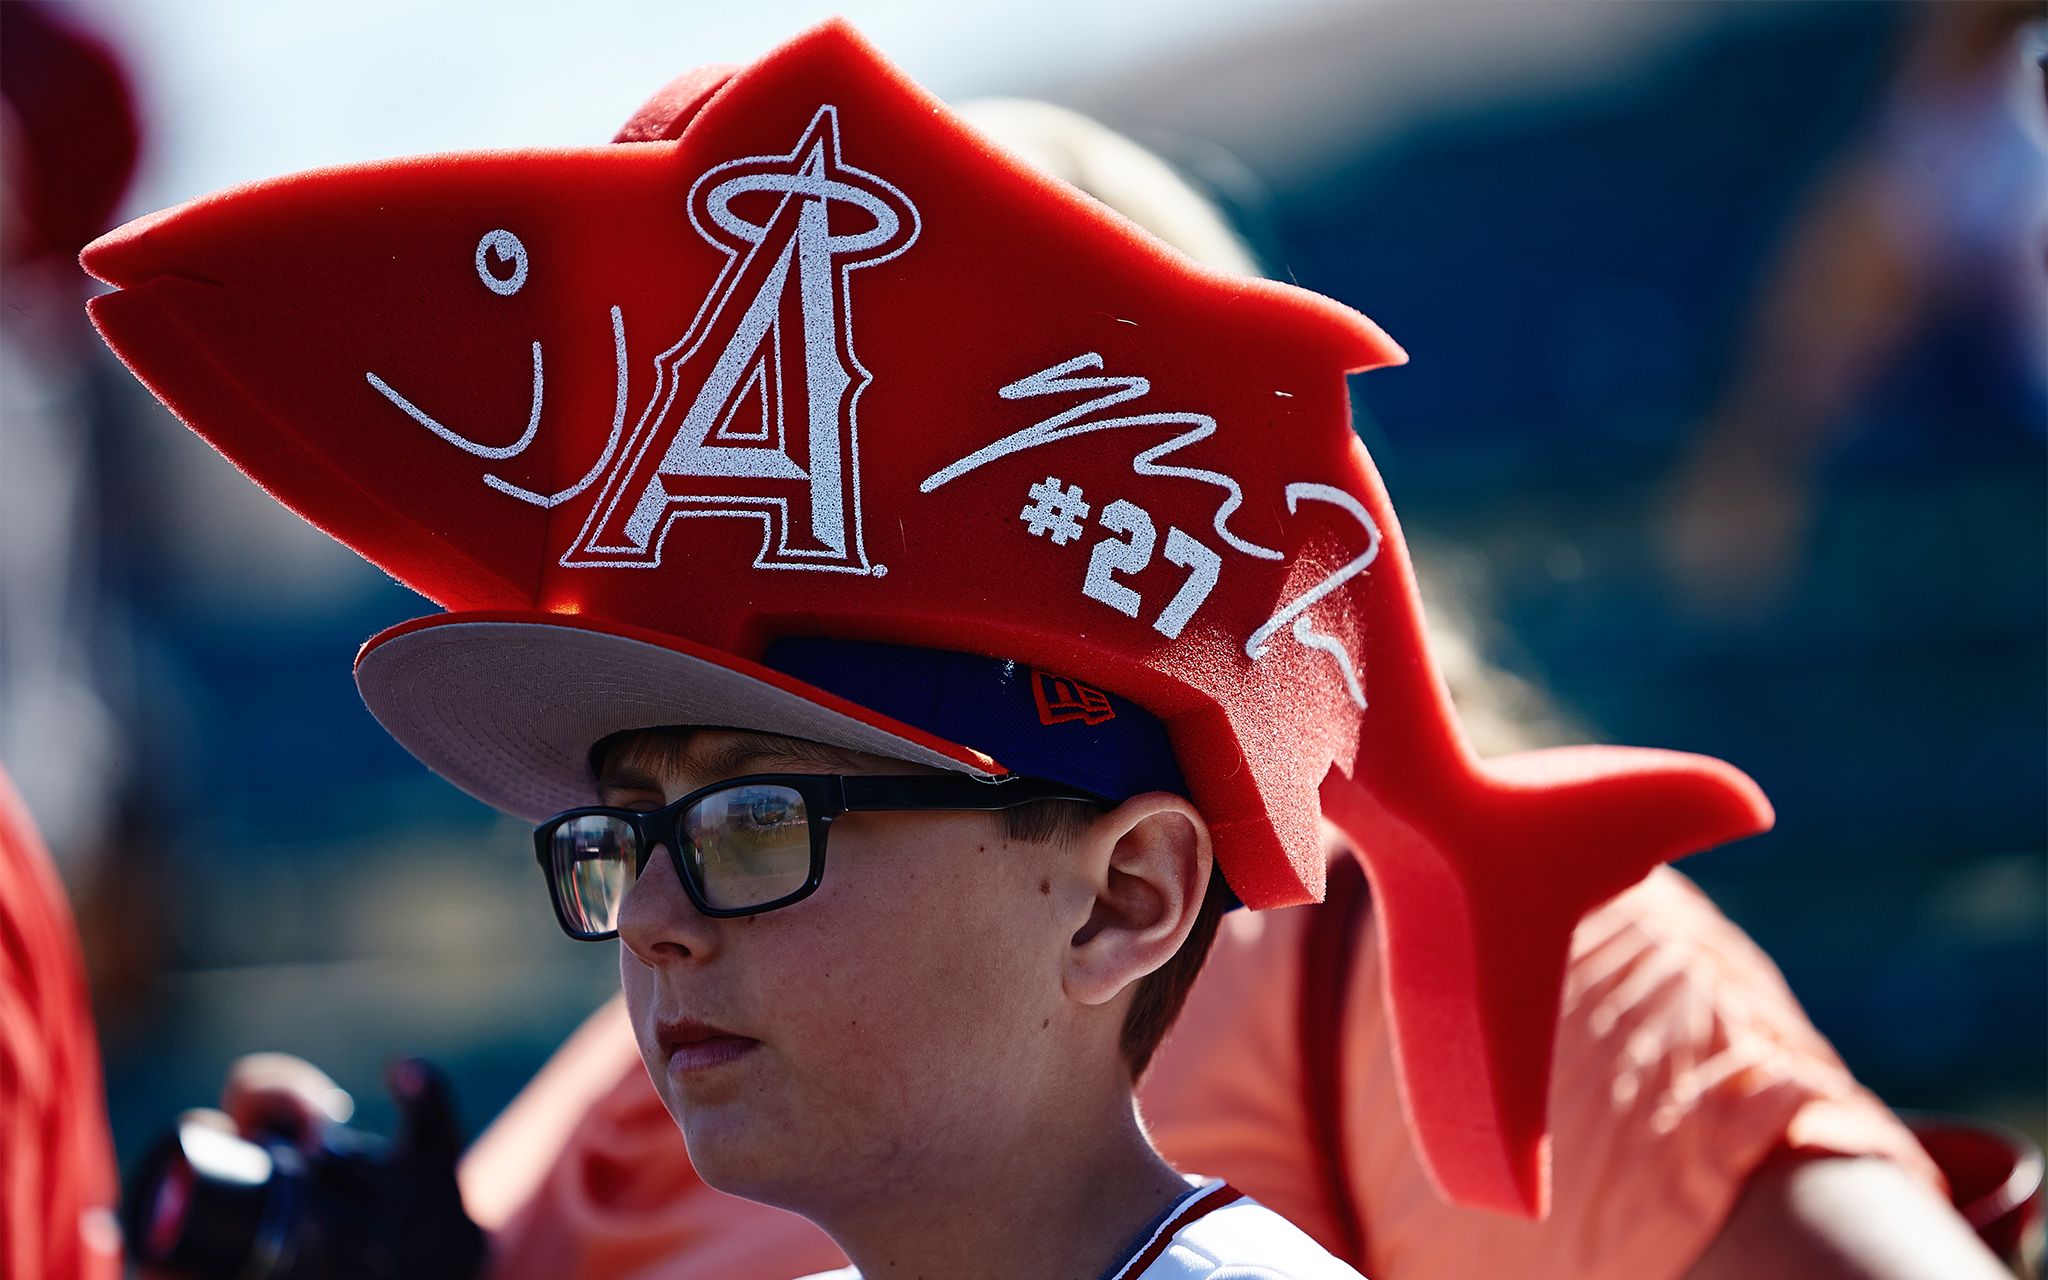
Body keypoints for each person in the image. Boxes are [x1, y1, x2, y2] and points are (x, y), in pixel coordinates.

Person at [86, 18, 1831, 1279]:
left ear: (1133, 894)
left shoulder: (1417, 968)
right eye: (625, 837)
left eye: (763, 817)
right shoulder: (742, 1026)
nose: (667, 915)